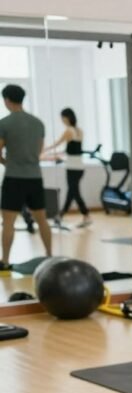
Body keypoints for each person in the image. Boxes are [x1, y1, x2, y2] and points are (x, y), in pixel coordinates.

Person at [0, 84, 51, 272]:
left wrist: (7, 162)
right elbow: (38, 151)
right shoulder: (38, 123)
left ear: (6, 100)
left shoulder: (4, 123)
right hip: (34, 177)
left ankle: (4, 261)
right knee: (42, 219)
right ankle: (49, 255)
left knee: (8, 222)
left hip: (14, 177)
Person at [43, 108, 90, 227]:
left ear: (66, 117)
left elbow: (57, 143)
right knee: (72, 192)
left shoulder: (68, 131)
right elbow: (71, 150)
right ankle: (61, 215)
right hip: (79, 167)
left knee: (74, 192)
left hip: (72, 168)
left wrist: (44, 150)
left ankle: (85, 215)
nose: (62, 120)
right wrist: (52, 155)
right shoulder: (79, 131)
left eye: (62, 118)